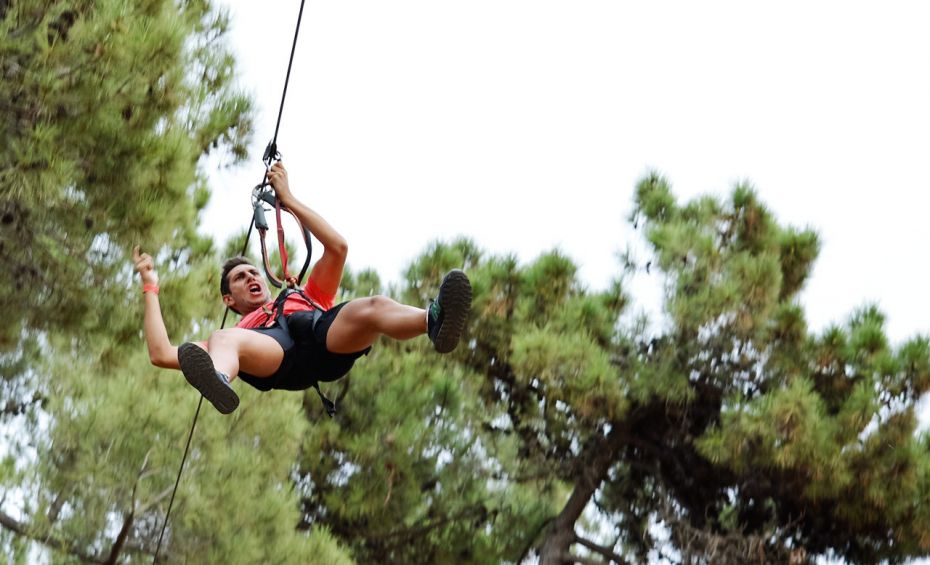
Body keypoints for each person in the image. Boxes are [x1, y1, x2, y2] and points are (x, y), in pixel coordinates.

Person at [133, 161, 472, 414]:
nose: (252, 277)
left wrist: (288, 199)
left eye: (254, 272)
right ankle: (218, 379)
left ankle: (433, 320)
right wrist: (151, 287)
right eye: (240, 278)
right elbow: (161, 354)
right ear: (228, 298)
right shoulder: (236, 335)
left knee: (374, 306)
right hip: (277, 359)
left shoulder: (307, 296)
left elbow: (337, 247)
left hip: (326, 345)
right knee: (225, 338)